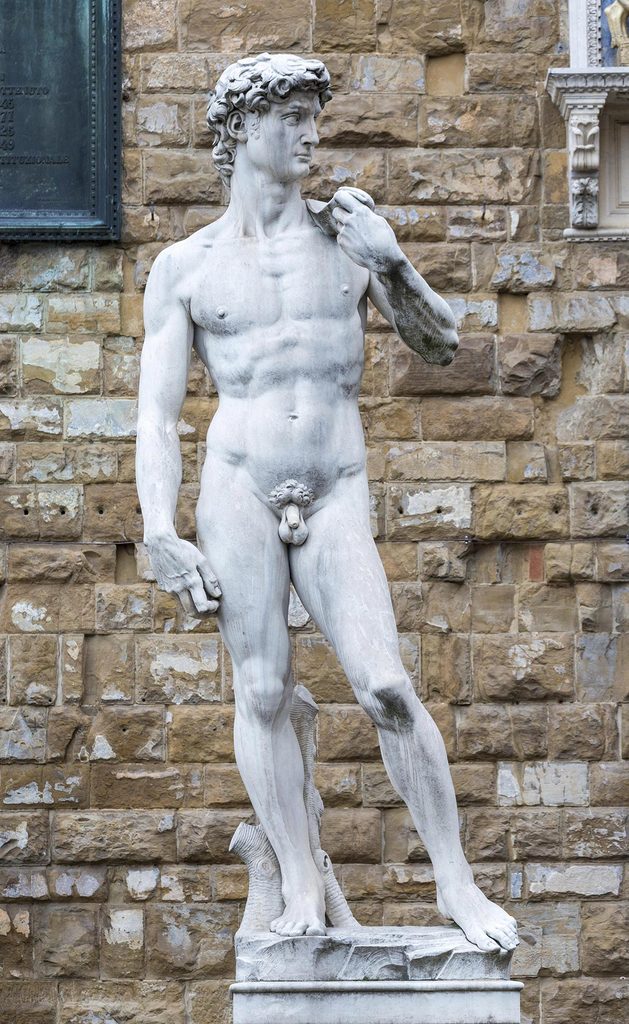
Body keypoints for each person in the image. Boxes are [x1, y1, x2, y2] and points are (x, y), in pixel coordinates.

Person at [136, 52, 518, 951]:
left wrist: (395, 266)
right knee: (263, 689)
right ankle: (301, 882)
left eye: (316, 112)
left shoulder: (349, 240)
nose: (311, 131)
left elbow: (439, 346)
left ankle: (455, 885)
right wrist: (156, 528)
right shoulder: (184, 267)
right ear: (239, 132)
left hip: (335, 488)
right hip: (236, 486)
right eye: (292, 115)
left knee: (385, 684)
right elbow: (154, 417)